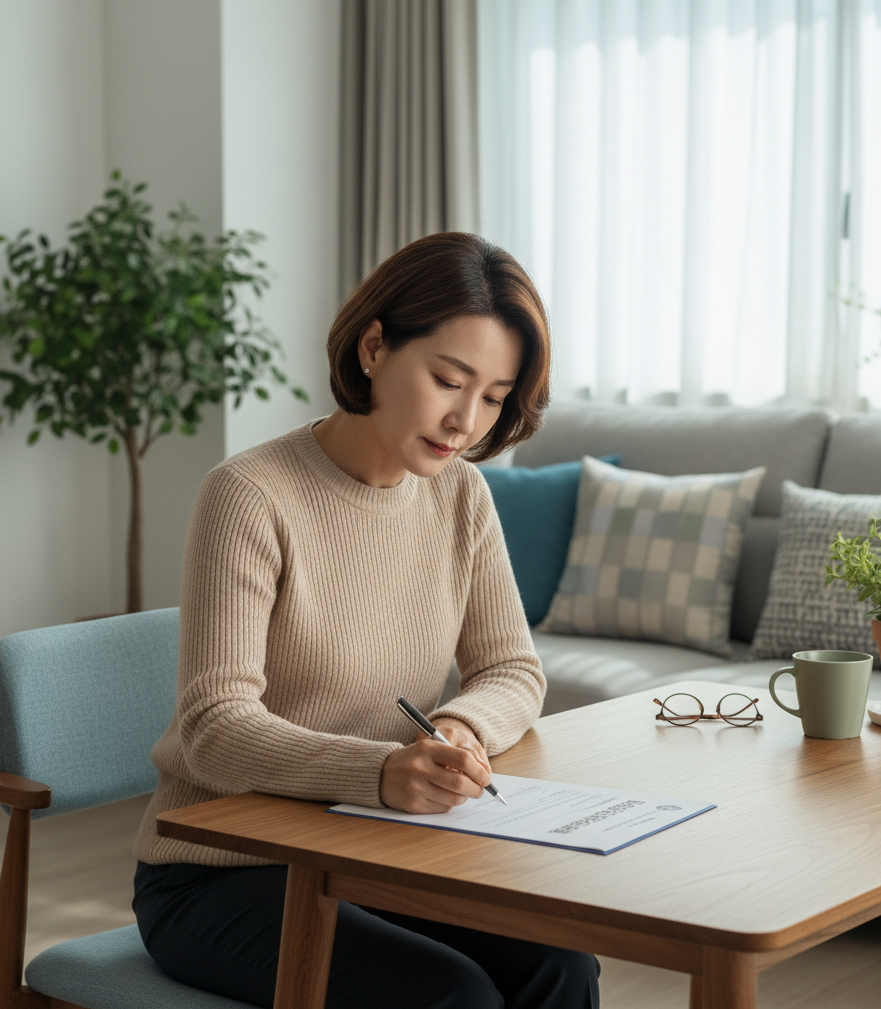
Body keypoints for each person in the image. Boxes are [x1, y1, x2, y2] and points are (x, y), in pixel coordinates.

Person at [131, 232, 601, 1008]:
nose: (466, 422)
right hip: (217, 873)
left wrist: (459, 729)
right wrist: (377, 772)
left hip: (375, 851)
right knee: (450, 997)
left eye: (492, 396)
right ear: (375, 347)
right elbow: (213, 726)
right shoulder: (250, 494)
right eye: (449, 380)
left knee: (562, 963)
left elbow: (513, 670)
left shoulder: (461, 497)